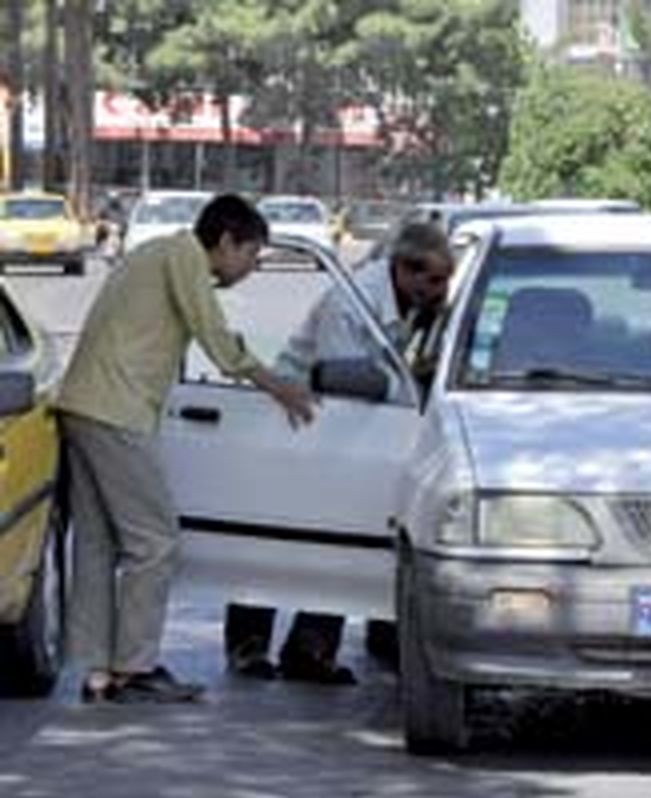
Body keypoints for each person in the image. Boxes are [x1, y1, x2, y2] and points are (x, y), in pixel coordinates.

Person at [56, 193, 317, 704]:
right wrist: (277, 386)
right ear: (224, 241)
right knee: (154, 542)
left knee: (97, 543)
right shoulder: (183, 258)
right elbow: (218, 341)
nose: (251, 269)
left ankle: (98, 671)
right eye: (251, 256)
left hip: (84, 404)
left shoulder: (158, 255)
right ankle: (135, 668)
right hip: (116, 411)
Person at [225, 221, 454, 684]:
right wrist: (411, 388)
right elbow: (345, 376)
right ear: (403, 270)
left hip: (348, 431)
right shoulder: (352, 303)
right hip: (297, 418)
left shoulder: (414, 303)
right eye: (432, 280)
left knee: (338, 535)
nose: (439, 290)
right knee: (277, 533)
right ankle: (248, 647)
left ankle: (311, 650)